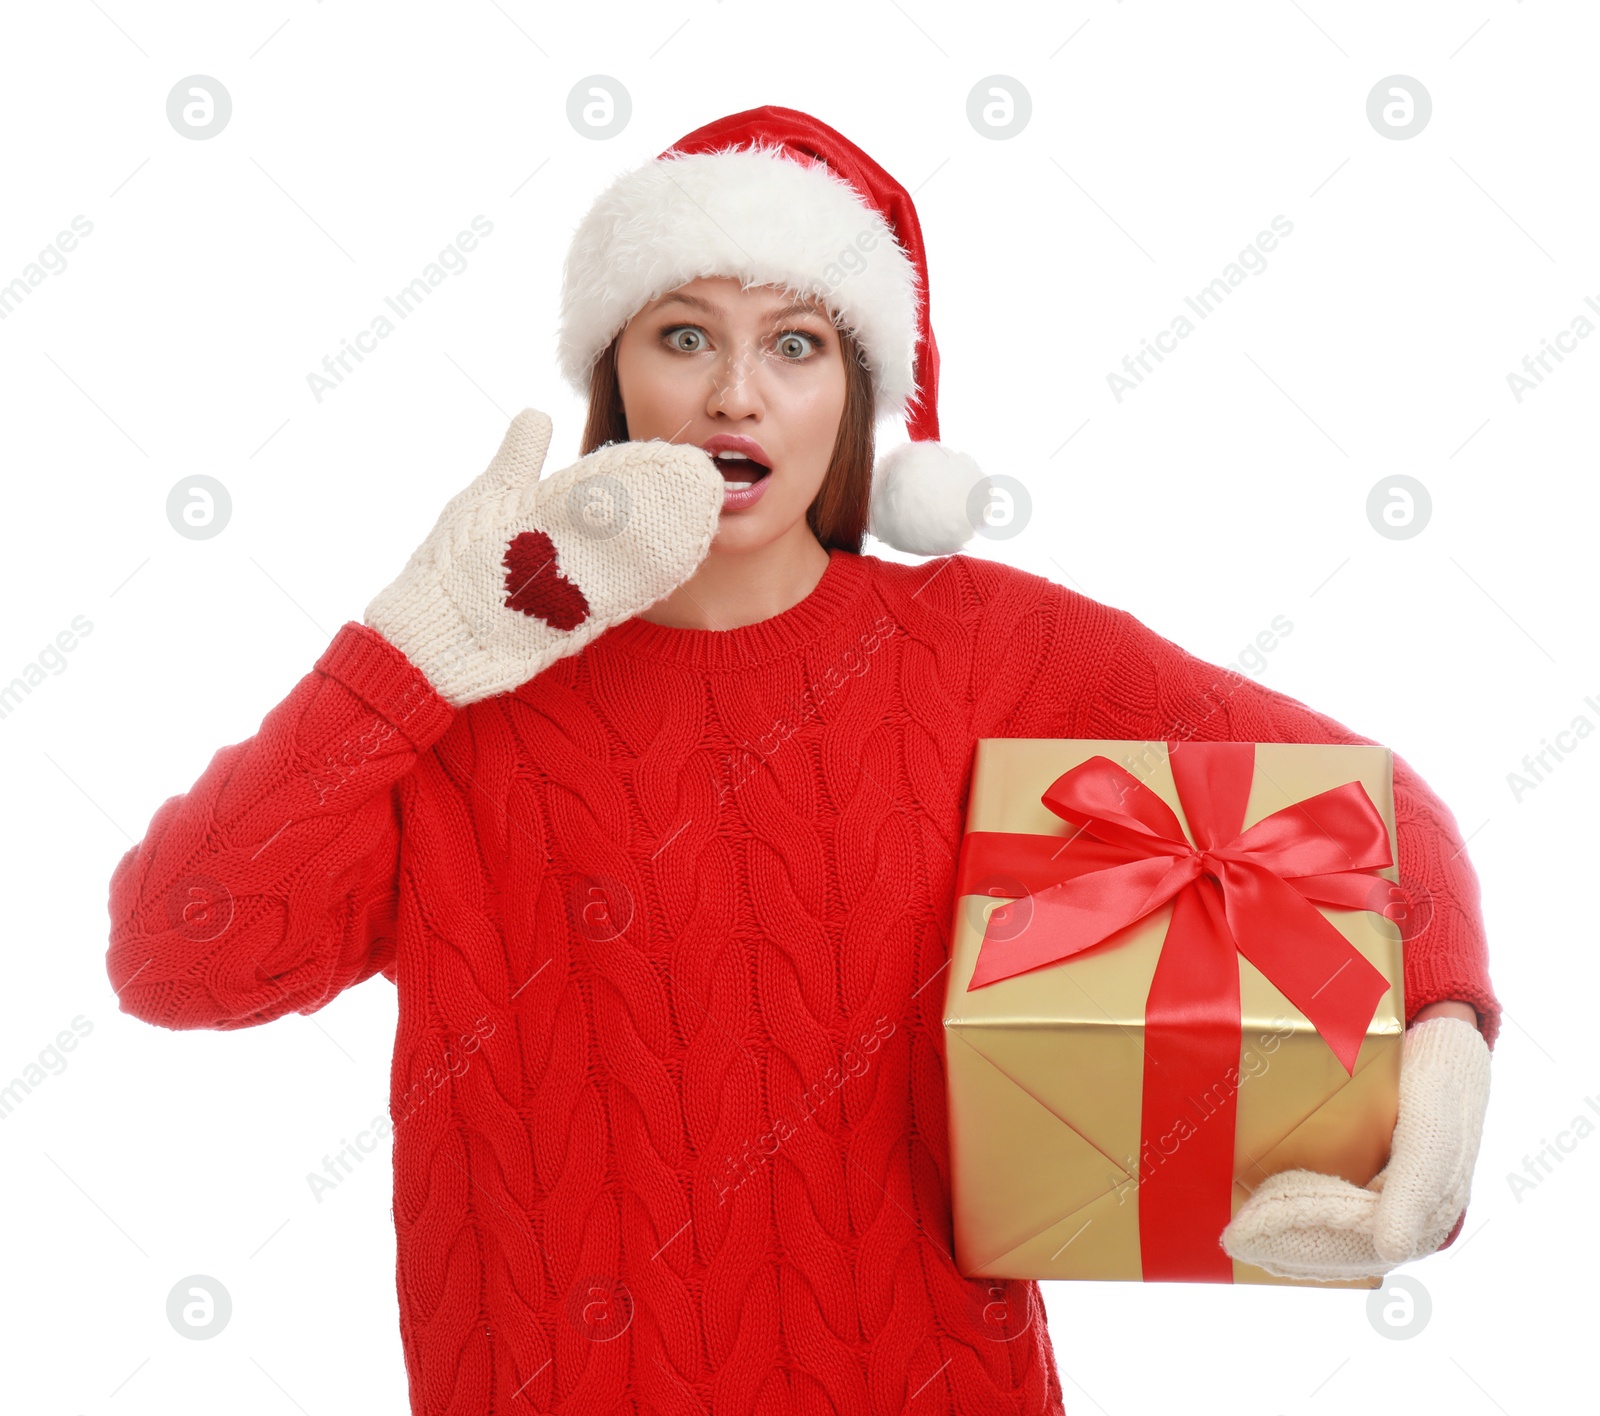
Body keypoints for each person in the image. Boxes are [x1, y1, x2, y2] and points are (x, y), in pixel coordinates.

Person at [106, 106, 1501, 1415]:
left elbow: (1370, 811)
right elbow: (178, 956)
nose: (733, 395)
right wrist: (405, 653)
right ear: (614, 376)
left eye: (794, 346)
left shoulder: (984, 649)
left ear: (857, 397)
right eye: (682, 334)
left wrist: (1440, 1051)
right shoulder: (465, 689)